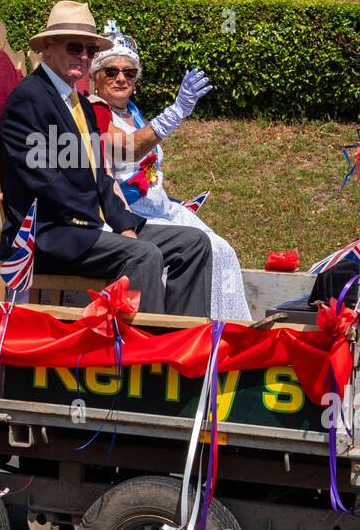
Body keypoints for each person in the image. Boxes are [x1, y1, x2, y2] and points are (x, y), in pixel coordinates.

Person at [0, 0, 213, 318]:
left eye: (90, 50)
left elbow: (101, 177)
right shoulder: (29, 99)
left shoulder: (80, 104)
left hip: (86, 228)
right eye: (75, 47)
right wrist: (101, 224)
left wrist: (123, 224)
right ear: (48, 48)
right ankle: (145, 355)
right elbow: (44, 181)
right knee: (144, 255)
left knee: (194, 244)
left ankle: (181, 347)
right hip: (49, 234)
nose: (84, 57)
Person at [88, 26, 251, 321]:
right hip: (124, 212)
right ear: (95, 76)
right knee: (208, 248)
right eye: (111, 71)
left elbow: (147, 166)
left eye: (129, 72)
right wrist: (177, 111)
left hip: (156, 204)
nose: (121, 78)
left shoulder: (131, 111)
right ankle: (185, 330)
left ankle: (221, 333)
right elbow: (127, 150)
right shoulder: (95, 109)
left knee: (223, 250)